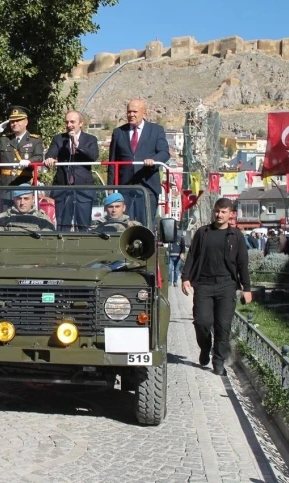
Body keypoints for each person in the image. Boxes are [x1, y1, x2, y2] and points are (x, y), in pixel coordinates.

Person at [182, 198, 251, 376]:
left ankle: (218, 361)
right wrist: (185, 277)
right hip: (204, 284)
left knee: (223, 326)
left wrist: (247, 288)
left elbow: (243, 263)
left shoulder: (236, 236)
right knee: (202, 322)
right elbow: (192, 256)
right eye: (217, 211)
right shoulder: (203, 232)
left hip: (226, 285)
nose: (219, 215)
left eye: (223, 212)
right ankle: (205, 348)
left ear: (231, 214)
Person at [107, 99, 170, 227]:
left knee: (146, 224)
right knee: (123, 224)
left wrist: (154, 161)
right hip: (125, 187)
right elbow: (112, 161)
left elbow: (164, 152)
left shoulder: (156, 130)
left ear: (144, 113)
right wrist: (111, 187)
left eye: (135, 111)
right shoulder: (119, 132)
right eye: (129, 111)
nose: (131, 115)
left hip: (148, 186)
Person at [44, 110, 100, 231]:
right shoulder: (59, 139)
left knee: (84, 226)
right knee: (62, 226)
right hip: (63, 188)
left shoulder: (91, 139)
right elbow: (51, 153)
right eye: (67, 122)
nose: (69, 125)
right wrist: (49, 158)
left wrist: (77, 144)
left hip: (83, 189)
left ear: (81, 123)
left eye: (72, 122)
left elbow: (93, 156)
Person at [0, 106, 44, 210]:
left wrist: (29, 161)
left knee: (24, 220)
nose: (14, 123)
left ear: (26, 121)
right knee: (5, 219)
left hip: (24, 187)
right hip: (6, 188)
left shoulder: (35, 140)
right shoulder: (4, 140)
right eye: (12, 121)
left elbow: (39, 157)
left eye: (18, 120)